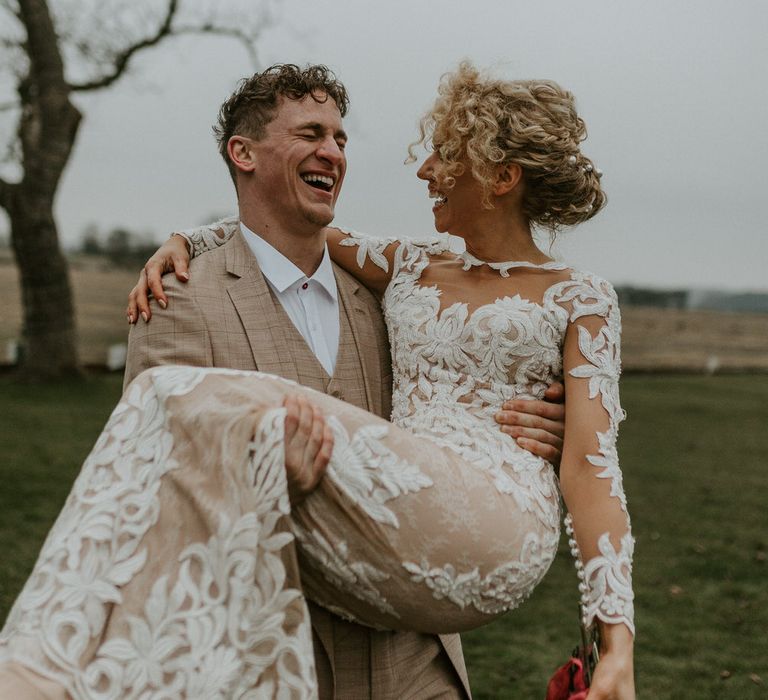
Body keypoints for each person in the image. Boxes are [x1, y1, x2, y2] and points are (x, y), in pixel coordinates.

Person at [0, 64, 571, 699]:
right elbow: (159, 481)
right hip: (279, 658)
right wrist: (260, 475)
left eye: (340, 138)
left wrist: (547, 418)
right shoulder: (180, 299)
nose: (333, 151)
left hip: (415, 662)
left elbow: (454, 406)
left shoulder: (390, 299)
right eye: (310, 133)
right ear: (242, 153)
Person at [130, 63, 636, 698]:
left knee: (268, 414)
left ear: (502, 178)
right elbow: (278, 226)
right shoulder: (409, 269)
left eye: (446, 155)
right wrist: (184, 239)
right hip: (376, 556)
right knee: (228, 417)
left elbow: (593, 469)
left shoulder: (582, 298)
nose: (423, 171)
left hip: (495, 533)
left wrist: (615, 638)